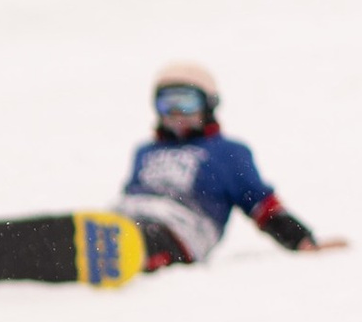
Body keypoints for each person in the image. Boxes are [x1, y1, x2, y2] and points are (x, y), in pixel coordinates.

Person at [122, 66, 343, 268]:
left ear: (208, 105)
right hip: (129, 215)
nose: (177, 112)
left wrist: (302, 241)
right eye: (167, 103)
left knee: (146, 236)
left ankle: (127, 256)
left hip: (183, 228)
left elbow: (261, 205)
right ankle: (98, 250)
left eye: (187, 102)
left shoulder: (227, 153)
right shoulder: (145, 151)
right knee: (113, 227)